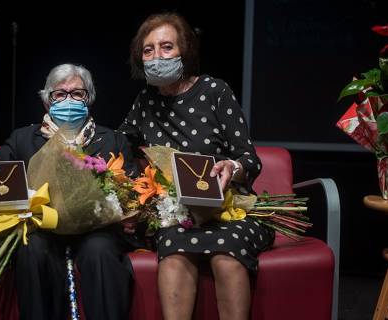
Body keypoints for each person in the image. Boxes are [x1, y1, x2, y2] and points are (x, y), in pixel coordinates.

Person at [118, 13, 275, 320]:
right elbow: (119, 143)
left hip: (231, 210)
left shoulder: (215, 91)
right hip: (178, 216)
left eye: (166, 47)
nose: (157, 57)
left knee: (226, 254)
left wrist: (232, 167)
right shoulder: (145, 101)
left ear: (184, 51)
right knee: (173, 252)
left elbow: (249, 159)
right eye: (148, 50)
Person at [0, 63, 138, 320]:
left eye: (77, 94)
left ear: (89, 100)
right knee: (31, 248)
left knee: (99, 251)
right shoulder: (22, 139)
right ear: (47, 101)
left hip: (96, 232)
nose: (69, 99)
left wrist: (130, 212)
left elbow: (131, 189)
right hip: (40, 230)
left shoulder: (113, 140)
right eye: (60, 94)